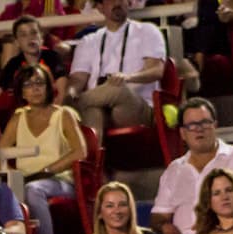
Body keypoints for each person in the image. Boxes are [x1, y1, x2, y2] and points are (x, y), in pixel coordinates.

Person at [0, 64, 85, 234]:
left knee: (33, 190)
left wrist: (47, 171)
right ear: (22, 93)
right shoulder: (18, 118)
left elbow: (80, 151)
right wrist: (10, 172)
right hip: (25, 180)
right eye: (29, 85)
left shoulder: (64, 115)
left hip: (60, 180)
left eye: (39, 83)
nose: (35, 88)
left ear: (48, 87)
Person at [150, 98, 233, 234]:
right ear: (182, 133)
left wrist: (209, 227)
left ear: (215, 125)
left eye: (205, 123)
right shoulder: (174, 170)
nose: (199, 129)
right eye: (192, 125)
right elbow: (159, 216)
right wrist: (166, 228)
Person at [67, 0, 165, 140]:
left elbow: (157, 70)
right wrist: (70, 93)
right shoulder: (88, 41)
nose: (117, 3)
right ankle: (93, 160)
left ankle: (71, 107)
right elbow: (77, 80)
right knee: (92, 110)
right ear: (100, 7)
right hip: (101, 107)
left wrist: (128, 77)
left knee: (117, 88)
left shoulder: (147, 31)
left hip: (136, 106)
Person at [0, 16, 70, 117]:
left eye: (34, 33)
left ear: (41, 37)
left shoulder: (53, 58)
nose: (30, 38)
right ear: (17, 42)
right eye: (23, 35)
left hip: (51, 115)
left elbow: (63, 93)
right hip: (24, 117)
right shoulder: (13, 64)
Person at [79, 181, 160, 234]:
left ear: (130, 209)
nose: (117, 211)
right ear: (99, 213)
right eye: (109, 206)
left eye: (122, 204)